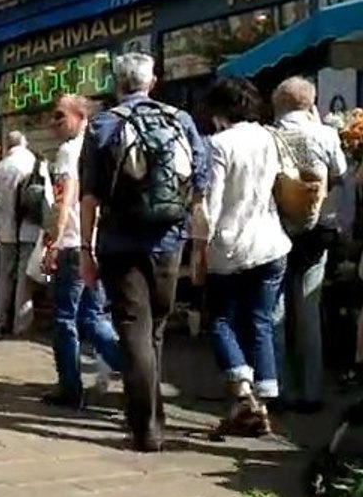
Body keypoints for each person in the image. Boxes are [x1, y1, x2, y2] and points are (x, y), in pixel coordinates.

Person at [79, 53, 208, 451]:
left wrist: (85, 249)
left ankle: (146, 426)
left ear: (118, 84)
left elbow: (89, 197)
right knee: (153, 330)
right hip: (168, 240)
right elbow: (199, 185)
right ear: (152, 82)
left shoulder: (102, 125)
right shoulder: (180, 120)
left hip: (119, 242)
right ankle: (152, 417)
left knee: (134, 328)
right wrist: (199, 243)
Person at [198, 78, 292, 437]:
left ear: (220, 110)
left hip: (231, 246)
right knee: (260, 322)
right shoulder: (269, 136)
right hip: (271, 242)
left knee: (220, 319)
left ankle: (243, 393)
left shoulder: (218, 145)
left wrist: (198, 249)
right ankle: (262, 404)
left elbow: (212, 204)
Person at [271, 76, 348, 415]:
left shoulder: (269, 136)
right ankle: (312, 391)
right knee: (309, 310)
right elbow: (341, 173)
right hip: (315, 230)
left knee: (275, 313)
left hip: (277, 231)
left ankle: (279, 389)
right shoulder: (326, 134)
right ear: (311, 103)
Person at [44, 95, 122, 409]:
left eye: (60, 116)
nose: (54, 122)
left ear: (80, 116)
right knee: (93, 317)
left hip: (74, 245)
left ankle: (70, 388)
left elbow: (64, 201)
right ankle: (137, 369)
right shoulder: (101, 146)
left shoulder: (68, 152)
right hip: (100, 244)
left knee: (65, 319)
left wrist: (53, 242)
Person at [0, 131, 40, 337]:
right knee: (24, 278)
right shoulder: (33, 162)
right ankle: (21, 324)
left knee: (4, 277)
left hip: (6, 230)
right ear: (24, 142)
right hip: (29, 228)